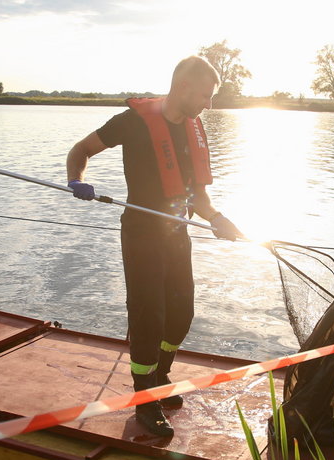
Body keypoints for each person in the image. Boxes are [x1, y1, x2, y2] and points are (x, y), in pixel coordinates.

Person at [66, 56, 243, 437]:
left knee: (181, 313)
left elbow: (198, 196)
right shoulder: (132, 122)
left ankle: (159, 378)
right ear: (182, 87)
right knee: (149, 316)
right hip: (141, 234)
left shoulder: (194, 130)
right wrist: (75, 179)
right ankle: (144, 398)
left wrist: (216, 218)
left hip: (176, 234)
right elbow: (80, 151)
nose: (209, 105)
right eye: (205, 96)